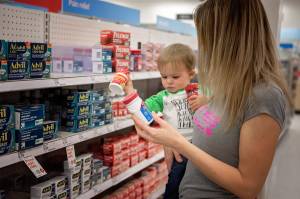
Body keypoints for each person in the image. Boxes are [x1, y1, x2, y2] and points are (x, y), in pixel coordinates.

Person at [130, 0, 292, 198]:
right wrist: (172, 140)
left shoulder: (264, 96)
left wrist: (180, 143)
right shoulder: (228, 86)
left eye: (207, 37)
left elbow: (248, 187)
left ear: (228, 40)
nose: (204, 47)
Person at [124, 43, 206, 199]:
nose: (169, 81)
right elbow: (143, 113)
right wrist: (130, 92)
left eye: (175, 77)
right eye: (164, 76)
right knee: (174, 187)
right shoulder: (163, 97)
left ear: (191, 73)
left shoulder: (201, 91)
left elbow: (221, 104)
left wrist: (206, 100)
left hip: (203, 148)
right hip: (179, 153)